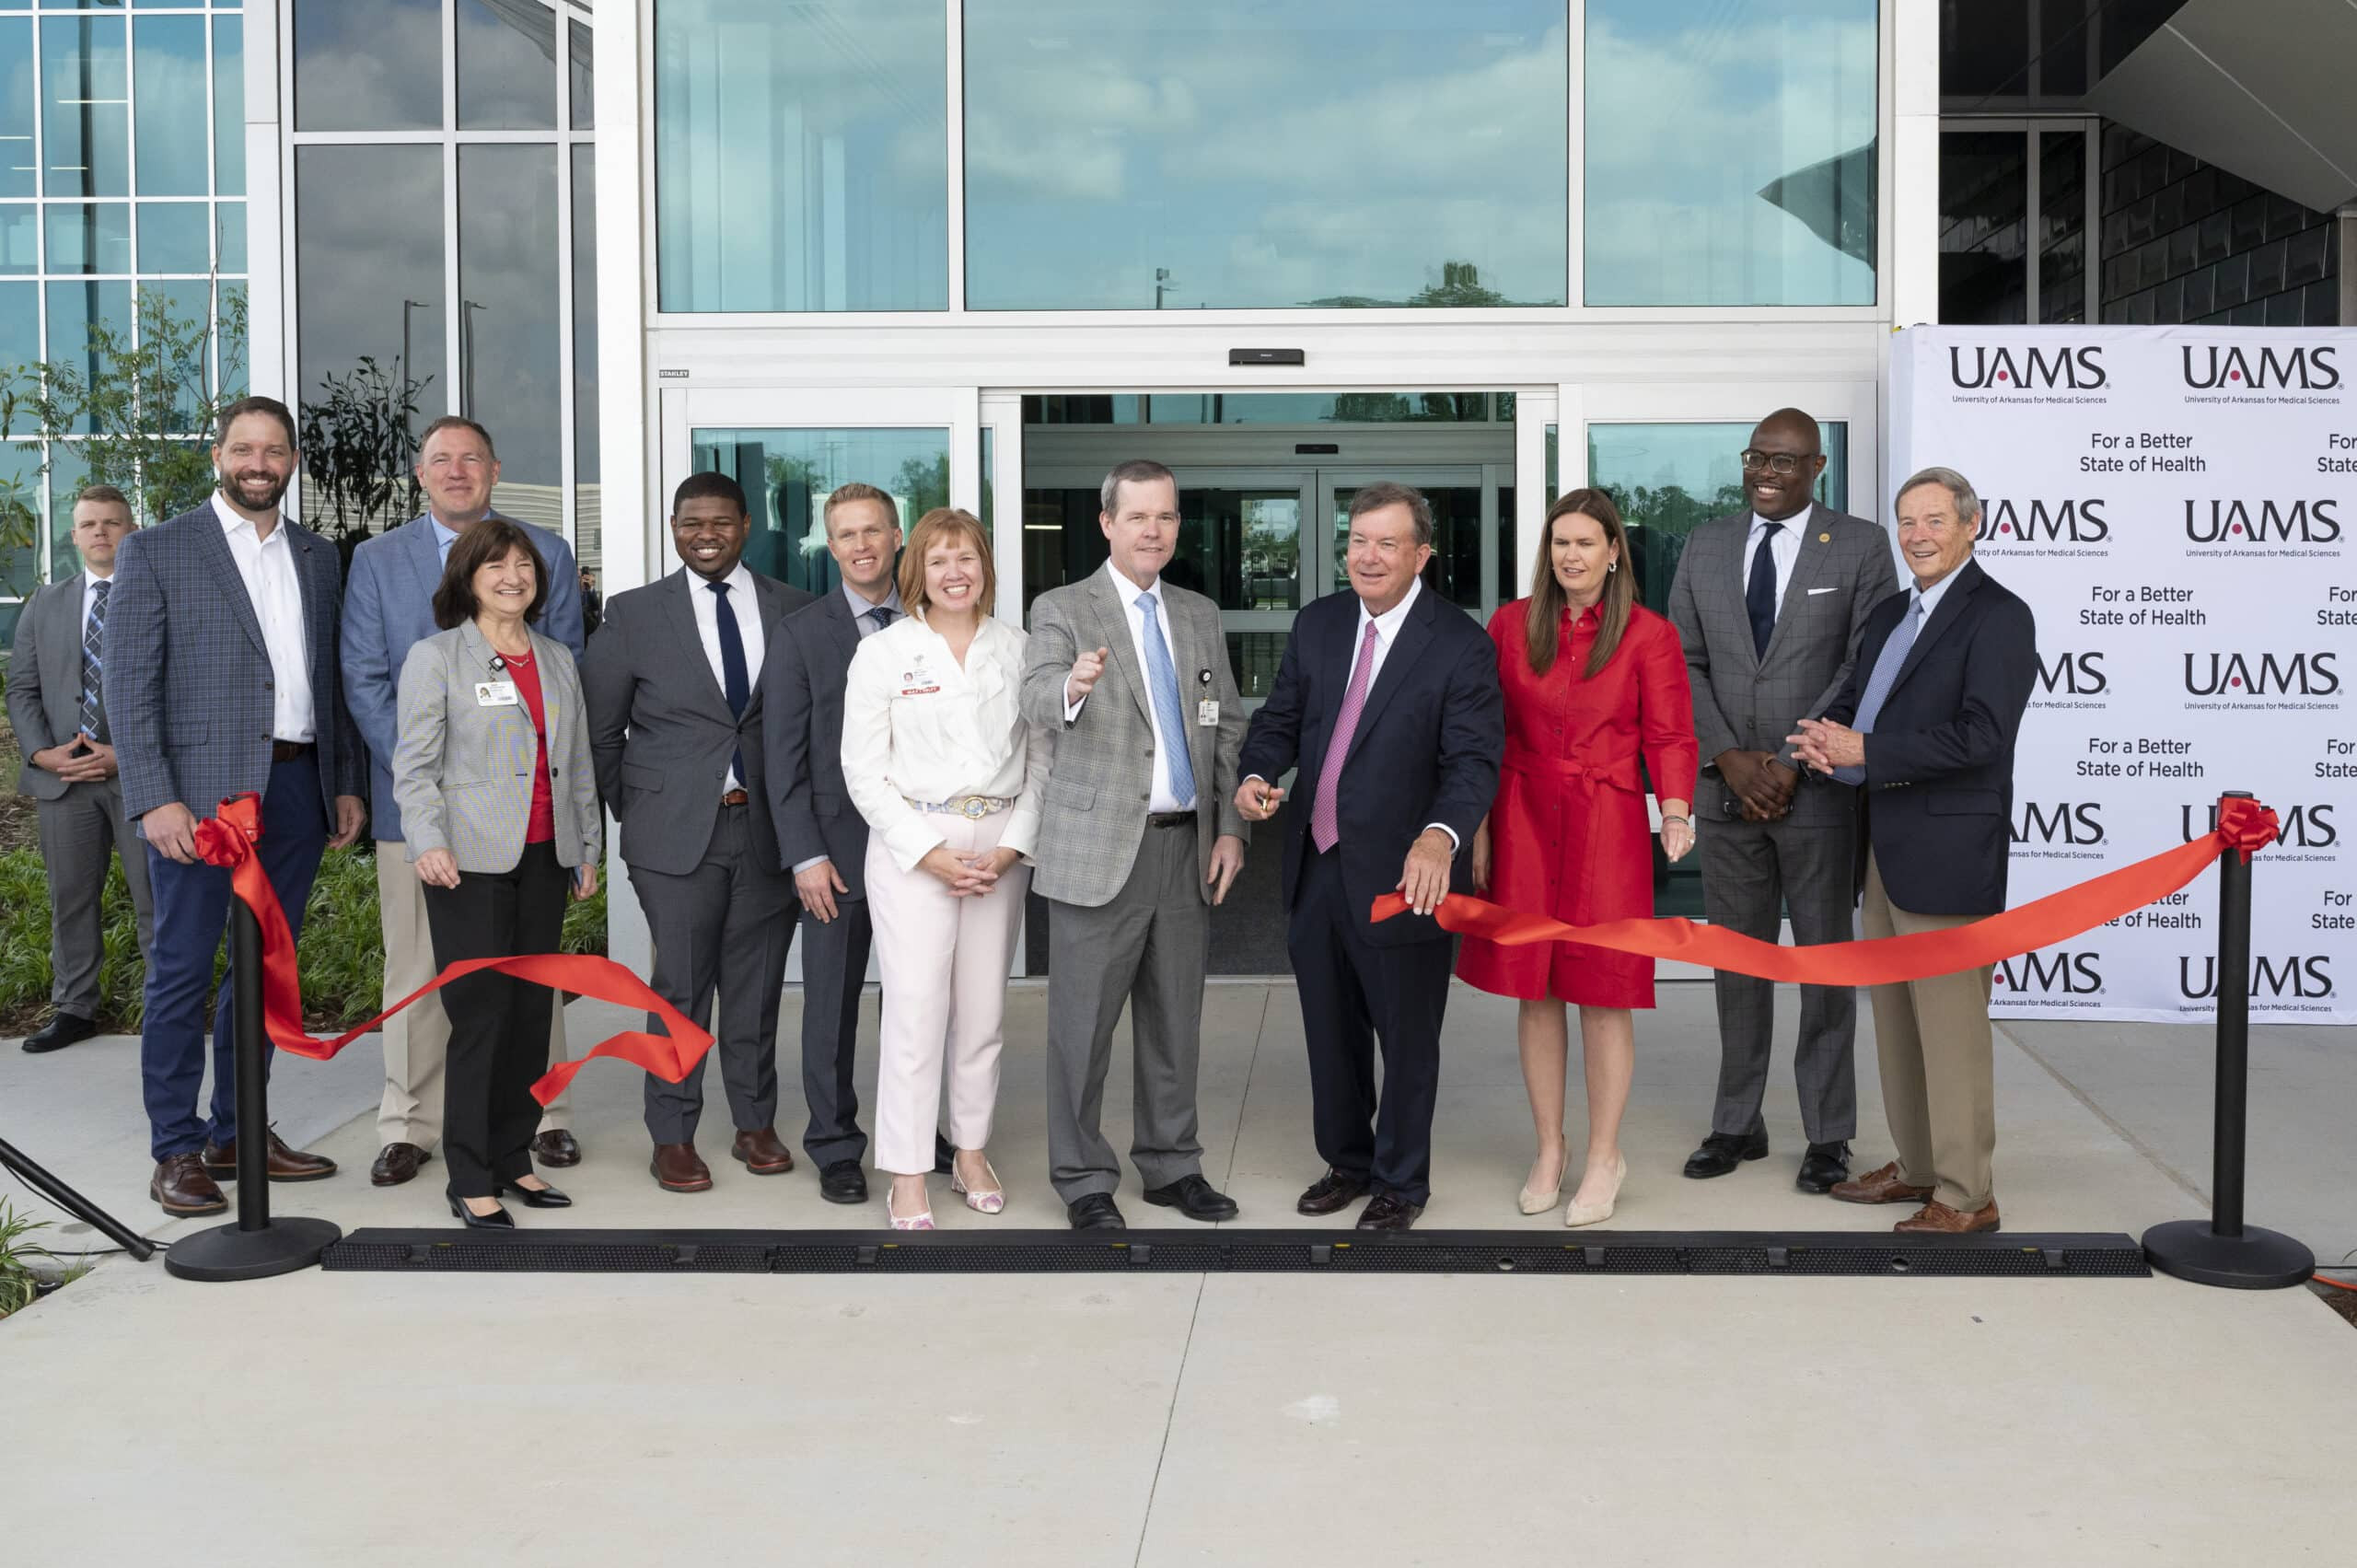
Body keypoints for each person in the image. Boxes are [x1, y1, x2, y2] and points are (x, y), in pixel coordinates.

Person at [105, 397, 368, 1216]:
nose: (260, 463)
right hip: (201, 799)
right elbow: (128, 686)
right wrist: (155, 798)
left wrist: (344, 781)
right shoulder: (155, 551)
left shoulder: (320, 557)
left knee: (266, 969)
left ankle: (236, 1132)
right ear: (218, 453)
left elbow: (331, 679)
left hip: (296, 787)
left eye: (275, 450)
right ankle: (176, 1147)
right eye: (245, 448)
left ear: (291, 460)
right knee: (183, 969)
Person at [1234, 482, 1503, 1231]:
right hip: (1317, 865)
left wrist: (1440, 835)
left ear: (1422, 553)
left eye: (1388, 543)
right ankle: (1347, 1162)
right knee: (1331, 1029)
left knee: (1407, 1036)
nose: (1368, 555)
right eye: (1358, 540)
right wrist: (1257, 774)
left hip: (1403, 876)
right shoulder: (1319, 623)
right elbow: (1280, 719)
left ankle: (1400, 1183)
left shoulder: (1458, 643)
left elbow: (1474, 762)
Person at [343, 415, 588, 1189]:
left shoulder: (546, 557)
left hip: (537, 834)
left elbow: (566, 713)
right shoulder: (380, 562)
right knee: (426, 977)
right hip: (432, 819)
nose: (457, 471)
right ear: (421, 473)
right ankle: (415, 1128)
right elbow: (364, 680)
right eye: (441, 460)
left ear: (495, 468)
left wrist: (577, 839)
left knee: (526, 992)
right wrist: (436, 803)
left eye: (471, 458)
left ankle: (535, 1124)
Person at [1790, 465, 2037, 1236]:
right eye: (1906, 521)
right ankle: (1921, 1165)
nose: (1917, 535)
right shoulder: (1896, 612)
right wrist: (1822, 741)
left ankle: (1968, 1195)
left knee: (1952, 1030)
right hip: (1884, 845)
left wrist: (1869, 746)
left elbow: (1983, 735)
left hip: (1947, 852)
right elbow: (1860, 705)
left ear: (1972, 523)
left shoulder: (1999, 615)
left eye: (1933, 520)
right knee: (1897, 1021)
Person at [1664, 410, 1897, 1195]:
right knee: (1739, 963)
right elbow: (1682, 661)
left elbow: (1866, 661)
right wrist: (1729, 758)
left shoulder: (1861, 545)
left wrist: (1795, 757)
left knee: (1826, 965)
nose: (1766, 472)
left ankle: (1829, 1135)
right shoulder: (1705, 544)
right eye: (1756, 457)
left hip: (1817, 791)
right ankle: (1738, 1122)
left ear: (1818, 465)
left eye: (1785, 461)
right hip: (1729, 793)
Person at [1020, 459, 1249, 1231]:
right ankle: (1084, 1176)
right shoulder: (1062, 606)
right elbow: (1035, 697)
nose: (1154, 530)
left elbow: (1225, 725)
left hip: (1184, 848)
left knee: (1174, 1022)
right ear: (1107, 522)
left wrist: (1230, 830)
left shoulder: (1198, 612)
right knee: (1081, 1028)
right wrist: (1073, 686)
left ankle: (1171, 1164)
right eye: (1139, 517)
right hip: (1096, 850)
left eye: (1167, 517)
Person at [1457, 490, 1698, 1225]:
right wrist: (1479, 823)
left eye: (1586, 543)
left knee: (1604, 991)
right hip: (1524, 813)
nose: (1571, 555)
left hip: (1607, 822)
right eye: (1561, 542)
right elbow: (1484, 728)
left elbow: (1671, 734)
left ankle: (1603, 1155)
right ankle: (1549, 1147)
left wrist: (1677, 807)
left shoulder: (1648, 635)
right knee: (1538, 990)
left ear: (1614, 551)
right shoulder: (1510, 623)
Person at [583, 472, 812, 1193]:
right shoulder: (634, 613)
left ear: (745, 524)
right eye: (690, 523)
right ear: (674, 526)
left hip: (769, 827)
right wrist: (641, 807)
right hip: (675, 835)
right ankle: (674, 1134)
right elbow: (600, 732)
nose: (704, 534)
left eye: (718, 521)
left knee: (757, 986)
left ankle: (754, 1123)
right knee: (681, 986)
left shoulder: (794, 609)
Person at [840, 506, 1047, 1230]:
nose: (955, 573)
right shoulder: (885, 653)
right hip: (914, 844)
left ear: (986, 566)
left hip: (999, 845)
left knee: (984, 1010)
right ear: (916, 572)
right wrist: (929, 854)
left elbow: (1044, 762)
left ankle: (970, 1150)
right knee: (916, 1011)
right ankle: (906, 1170)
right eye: (938, 561)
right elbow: (862, 773)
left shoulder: (1021, 650)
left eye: (967, 558)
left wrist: (1010, 846)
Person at [392, 519, 600, 1228]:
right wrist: (427, 839)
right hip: (466, 864)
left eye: (524, 565)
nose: (513, 575)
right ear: (468, 577)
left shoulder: (556, 658)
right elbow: (414, 766)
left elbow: (575, 764)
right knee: (480, 1019)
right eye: (496, 564)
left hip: (546, 856)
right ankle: (469, 1173)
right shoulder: (437, 656)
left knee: (529, 1019)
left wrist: (587, 848)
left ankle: (514, 1156)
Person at [760, 482, 957, 1203]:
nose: (862, 545)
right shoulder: (802, 634)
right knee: (833, 1002)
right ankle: (837, 1143)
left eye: (873, 530)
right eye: (846, 535)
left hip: (928, 846)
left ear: (898, 534)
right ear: (830, 545)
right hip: (838, 853)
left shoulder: (941, 622)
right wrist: (805, 854)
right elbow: (780, 756)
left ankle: (917, 1131)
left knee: (923, 996)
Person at [9, 486, 157, 1054]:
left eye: (112, 523)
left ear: (131, 530)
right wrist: (40, 751)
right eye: (89, 524)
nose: (100, 532)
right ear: (73, 536)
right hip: (63, 779)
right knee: (70, 897)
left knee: (154, 899)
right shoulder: (45, 603)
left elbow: (178, 689)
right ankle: (74, 1008)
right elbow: (21, 689)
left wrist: (126, 753)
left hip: (138, 776)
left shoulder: (156, 598)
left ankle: (164, 1007)